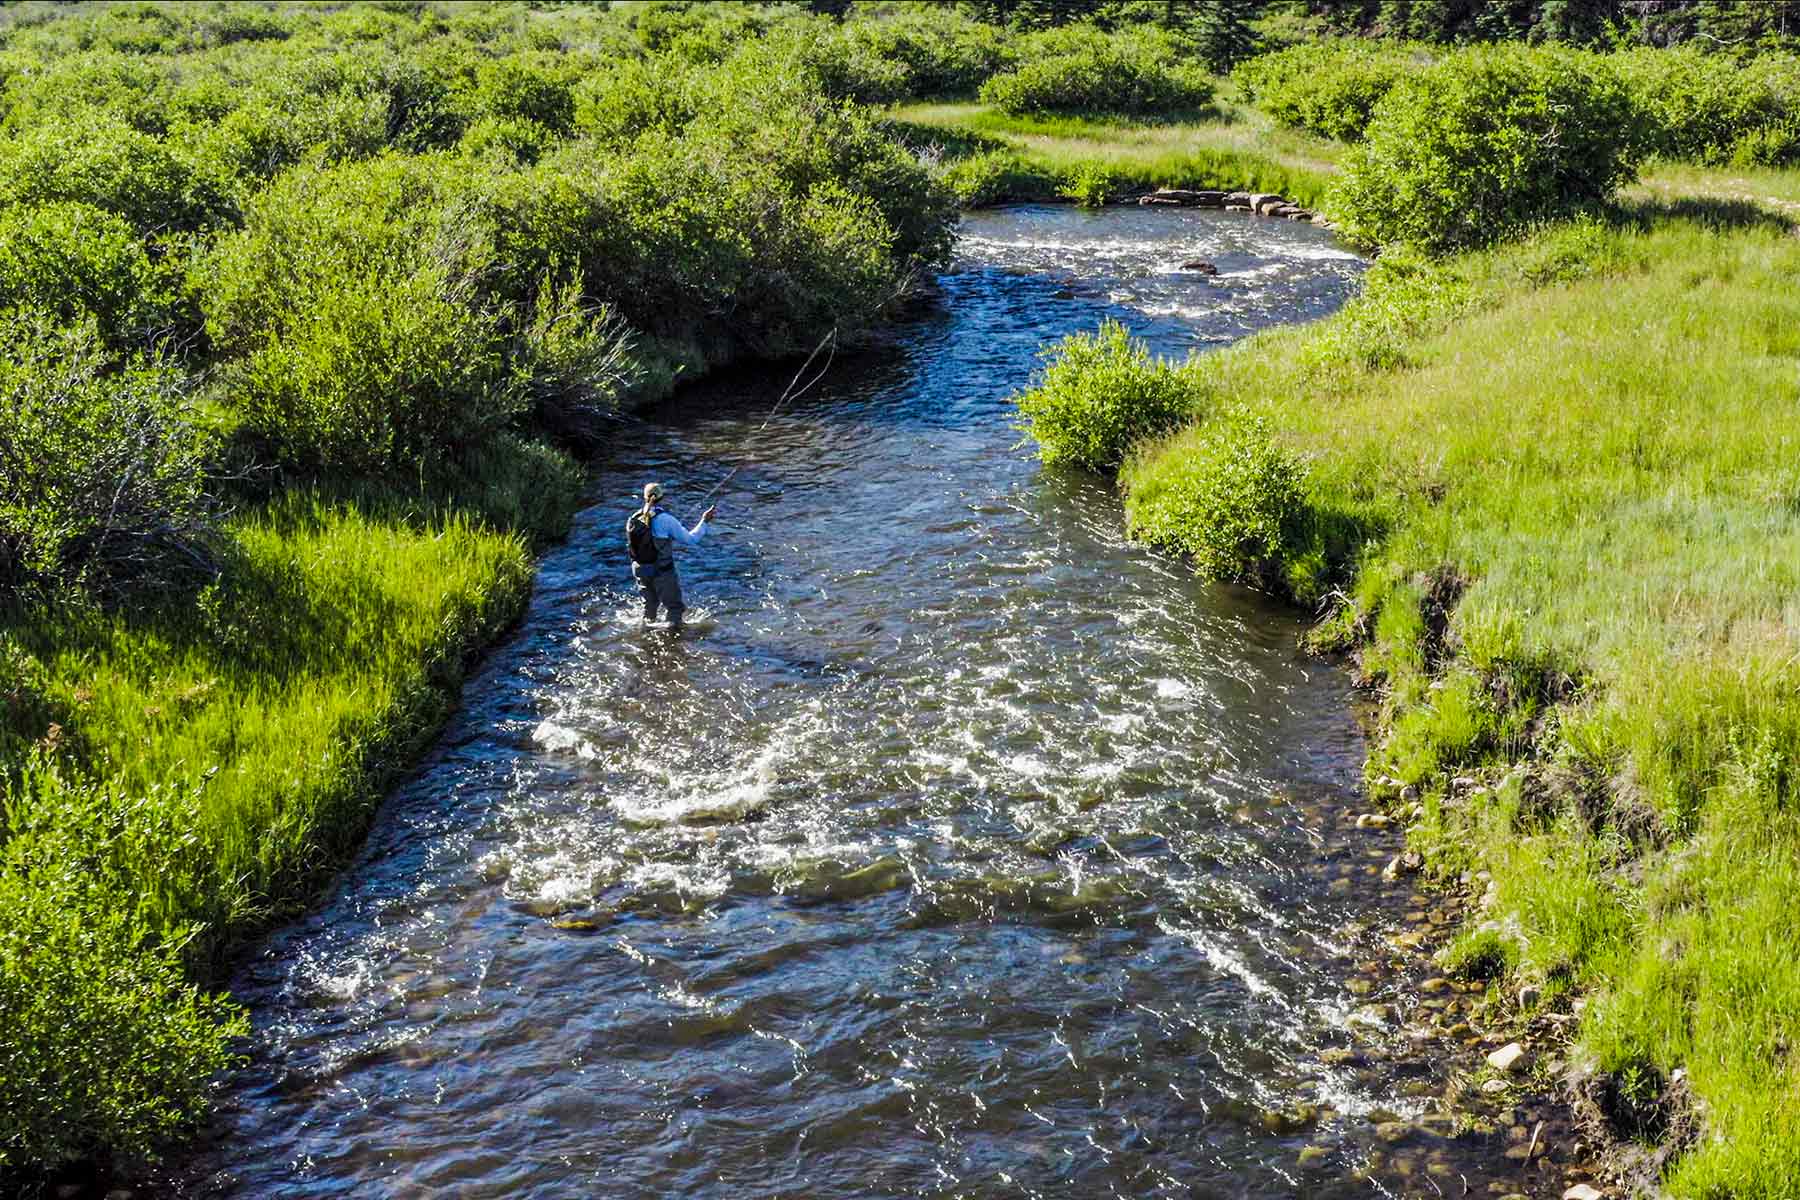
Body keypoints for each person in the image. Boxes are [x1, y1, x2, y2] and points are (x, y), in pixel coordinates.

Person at [626, 481, 715, 628]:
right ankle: (673, 640)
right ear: (663, 498)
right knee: (674, 608)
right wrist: (704, 521)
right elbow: (691, 540)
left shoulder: (633, 518)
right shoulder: (666, 519)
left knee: (649, 607)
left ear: (645, 497)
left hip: (640, 570)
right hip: (661, 571)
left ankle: (645, 637)